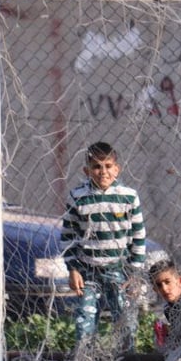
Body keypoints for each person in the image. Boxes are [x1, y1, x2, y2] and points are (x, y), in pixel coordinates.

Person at [61, 142, 146, 350]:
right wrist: (72, 269)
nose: (103, 172)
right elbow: (68, 236)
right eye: (97, 167)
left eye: (108, 166)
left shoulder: (128, 196)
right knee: (85, 319)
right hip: (88, 272)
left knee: (124, 318)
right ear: (87, 170)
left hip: (119, 271)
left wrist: (134, 272)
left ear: (117, 168)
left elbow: (138, 235)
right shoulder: (78, 197)